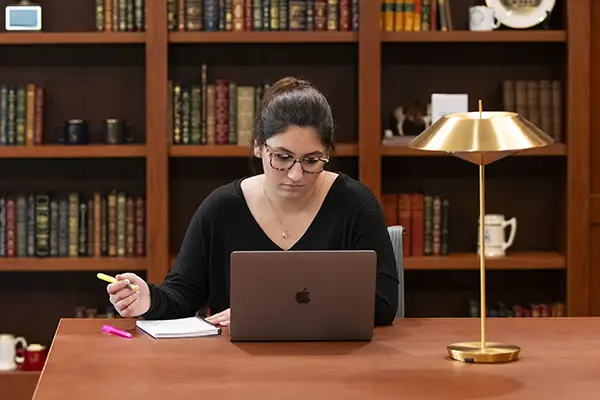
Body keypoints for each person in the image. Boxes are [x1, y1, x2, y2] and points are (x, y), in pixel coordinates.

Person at [105, 76, 400, 326]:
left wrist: (267, 314)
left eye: (311, 160)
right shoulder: (222, 208)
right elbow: (182, 296)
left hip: (336, 369)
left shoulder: (356, 204)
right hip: (238, 371)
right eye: (282, 157)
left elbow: (382, 305)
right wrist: (147, 299)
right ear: (259, 147)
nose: (296, 174)